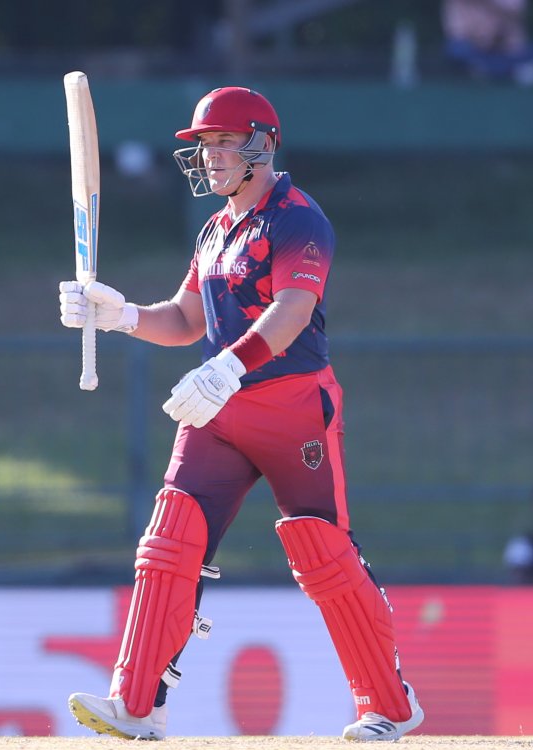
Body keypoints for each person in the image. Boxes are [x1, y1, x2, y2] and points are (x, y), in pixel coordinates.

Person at [57, 86, 424, 742]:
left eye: (226, 142)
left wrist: (229, 366)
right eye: (206, 145)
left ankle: (389, 708)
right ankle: (137, 706)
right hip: (219, 406)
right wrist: (122, 316)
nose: (213, 156)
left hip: (292, 403)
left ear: (264, 143)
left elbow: (293, 311)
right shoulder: (215, 230)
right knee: (170, 538)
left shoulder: (298, 219)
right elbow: (185, 319)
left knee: (323, 552)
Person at [442, 0, 533, 86]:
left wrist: (489, 3)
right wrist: (482, 40)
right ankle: (511, 72)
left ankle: (494, 71)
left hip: (510, 53)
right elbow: (456, 35)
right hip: (477, 53)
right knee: (456, 50)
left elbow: (517, 13)